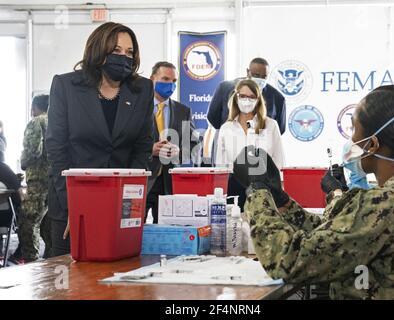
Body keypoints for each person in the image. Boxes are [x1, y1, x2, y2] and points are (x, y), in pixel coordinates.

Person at [233, 84, 394, 300]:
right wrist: (282, 200)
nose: (351, 139)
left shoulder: (386, 203)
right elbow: (337, 237)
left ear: (372, 145)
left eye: (354, 130)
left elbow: (288, 261)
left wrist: (257, 190)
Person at [46, 22, 154, 257]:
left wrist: (129, 206)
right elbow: (56, 151)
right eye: (116, 51)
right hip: (71, 206)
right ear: (98, 50)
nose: (123, 57)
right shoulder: (66, 86)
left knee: (120, 280)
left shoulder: (142, 89)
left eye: (129, 52)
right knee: (70, 284)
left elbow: (143, 149)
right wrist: (74, 210)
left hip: (121, 207)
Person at [216, 79, 284, 209]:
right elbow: (221, 164)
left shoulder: (271, 125)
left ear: (258, 100)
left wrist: (280, 190)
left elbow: (279, 159)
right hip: (234, 187)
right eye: (243, 96)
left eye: (252, 97)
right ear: (236, 97)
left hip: (265, 186)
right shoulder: (226, 128)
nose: (247, 100)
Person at [145, 61, 198, 223]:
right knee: (133, 231)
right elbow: (125, 141)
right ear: (152, 79)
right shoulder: (138, 108)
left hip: (169, 183)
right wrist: (149, 149)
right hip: (143, 179)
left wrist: (179, 153)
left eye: (174, 81)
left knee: (165, 234)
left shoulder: (183, 111)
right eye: (165, 79)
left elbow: (194, 145)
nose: (170, 84)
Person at [12, 95, 50, 263]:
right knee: (48, 224)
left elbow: (32, 151)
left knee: (28, 222)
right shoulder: (57, 121)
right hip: (55, 182)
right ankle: (52, 261)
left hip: (38, 181)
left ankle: (31, 262)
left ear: (35, 107)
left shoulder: (36, 122)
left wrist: (23, 164)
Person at [207, 57, 286, 134]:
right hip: (229, 142)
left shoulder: (277, 98)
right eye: (256, 75)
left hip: (261, 144)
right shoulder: (225, 89)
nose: (260, 79)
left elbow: (279, 130)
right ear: (248, 72)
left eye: (264, 77)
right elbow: (213, 119)